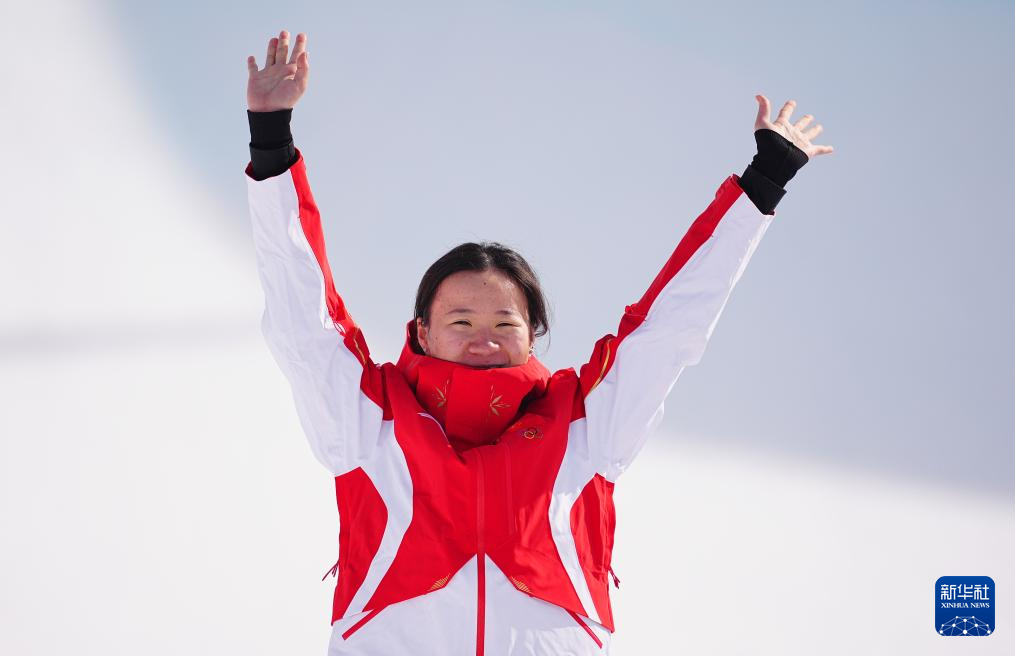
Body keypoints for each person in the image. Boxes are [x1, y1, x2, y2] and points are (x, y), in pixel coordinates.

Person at [244, 29, 833, 656]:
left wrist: (761, 185)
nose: (484, 341)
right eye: (461, 322)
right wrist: (272, 142)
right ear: (420, 331)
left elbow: (670, 326)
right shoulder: (368, 417)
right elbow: (304, 315)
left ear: (533, 336)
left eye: (505, 324)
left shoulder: (587, 420)